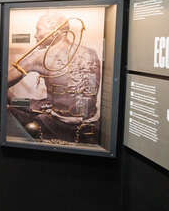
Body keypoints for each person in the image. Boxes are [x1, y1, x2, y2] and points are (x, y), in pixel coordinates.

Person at [7, 13, 101, 145]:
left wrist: (18, 102)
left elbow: (0, 84)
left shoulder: (39, 57)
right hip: (92, 125)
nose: (35, 35)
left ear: (55, 31)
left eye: (38, 29)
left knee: (9, 110)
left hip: (59, 126)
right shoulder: (91, 52)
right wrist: (34, 103)